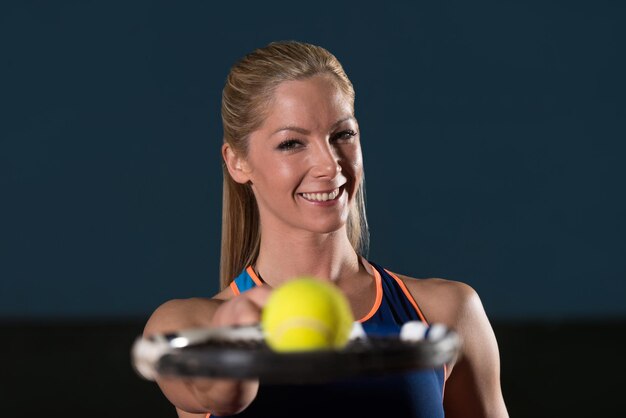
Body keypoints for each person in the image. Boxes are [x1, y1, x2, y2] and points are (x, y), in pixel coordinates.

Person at [142, 40, 509, 418]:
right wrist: (236, 348)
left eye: (343, 135)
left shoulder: (446, 312)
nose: (329, 166)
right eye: (291, 143)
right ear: (237, 162)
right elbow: (217, 393)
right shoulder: (188, 322)